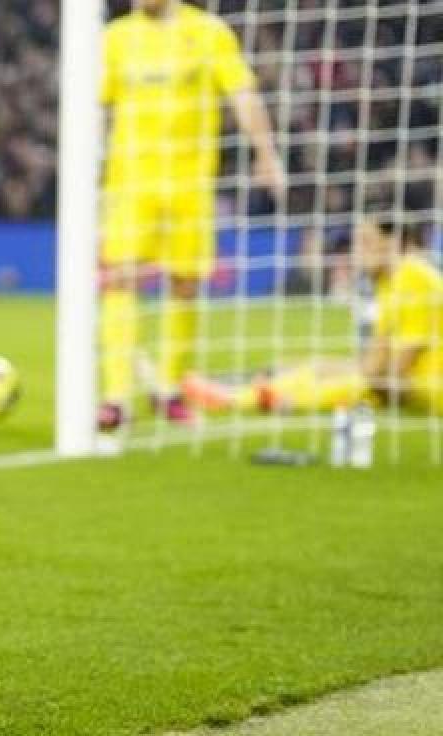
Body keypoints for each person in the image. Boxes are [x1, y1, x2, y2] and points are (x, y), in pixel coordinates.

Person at [98, 0, 286, 433]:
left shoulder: (208, 31)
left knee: (184, 284)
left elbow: (241, 92)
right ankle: (115, 397)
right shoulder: (116, 37)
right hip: (130, 182)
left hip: (190, 184)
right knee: (121, 279)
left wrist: (265, 151)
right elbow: (98, 106)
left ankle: (169, 390)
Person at [184, 212, 442, 415]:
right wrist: (317, 366)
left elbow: (395, 374)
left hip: (432, 390)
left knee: (356, 386)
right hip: (417, 386)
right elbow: (375, 361)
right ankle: (254, 391)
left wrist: (336, 378)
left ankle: (242, 398)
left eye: (366, 242)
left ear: (394, 242)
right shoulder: (390, 282)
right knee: (323, 368)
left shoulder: (413, 276)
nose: (358, 252)